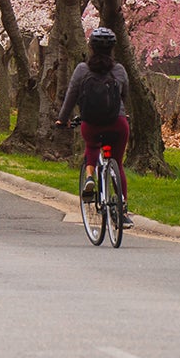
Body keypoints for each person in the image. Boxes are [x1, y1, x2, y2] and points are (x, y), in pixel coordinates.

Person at [52, 27, 132, 228]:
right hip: (118, 123)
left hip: (91, 123)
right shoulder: (119, 70)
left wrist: (62, 120)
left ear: (91, 47)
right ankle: (121, 208)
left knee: (92, 145)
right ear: (113, 48)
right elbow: (124, 96)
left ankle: (90, 177)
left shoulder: (81, 69)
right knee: (117, 163)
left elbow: (70, 97)